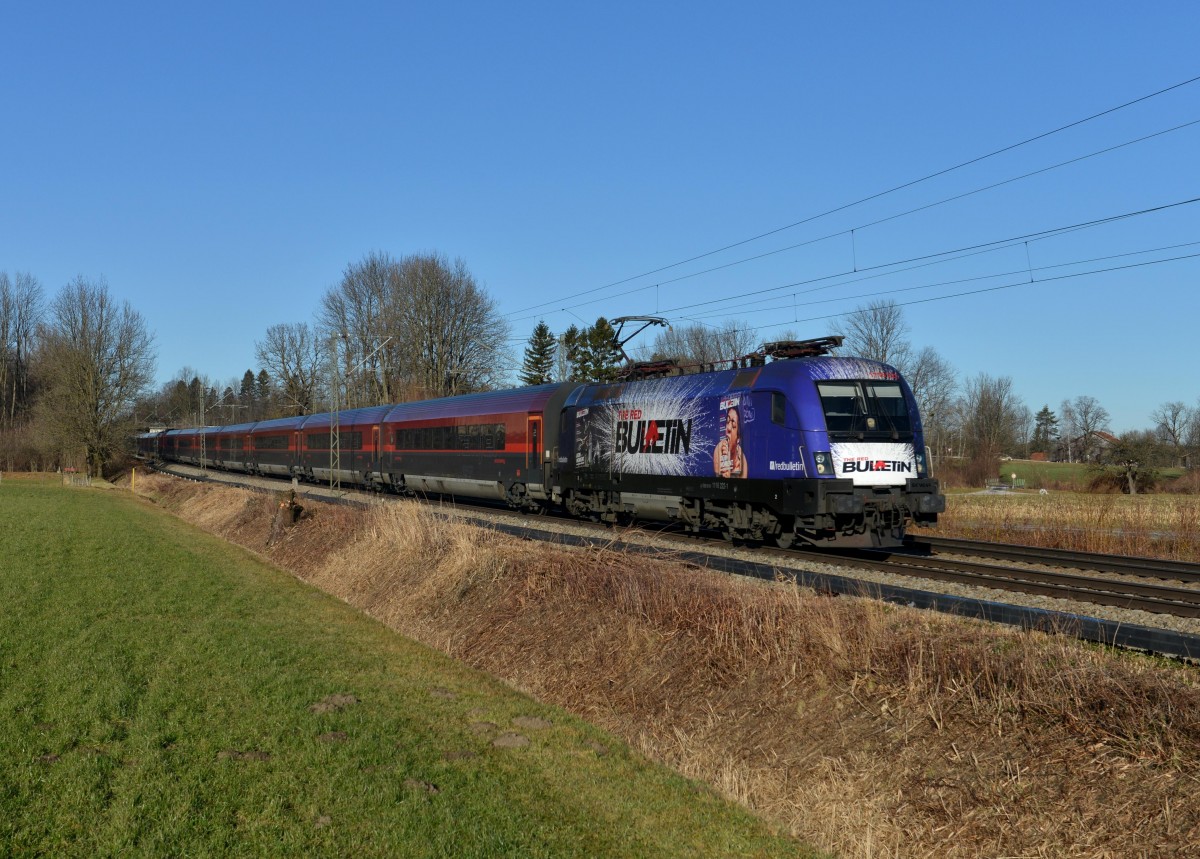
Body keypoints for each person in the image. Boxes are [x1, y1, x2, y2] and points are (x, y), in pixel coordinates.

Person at [713, 404, 748, 478]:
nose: (728, 428)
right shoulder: (719, 450)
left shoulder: (742, 461)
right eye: (727, 421)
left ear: (738, 437)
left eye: (733, 425)